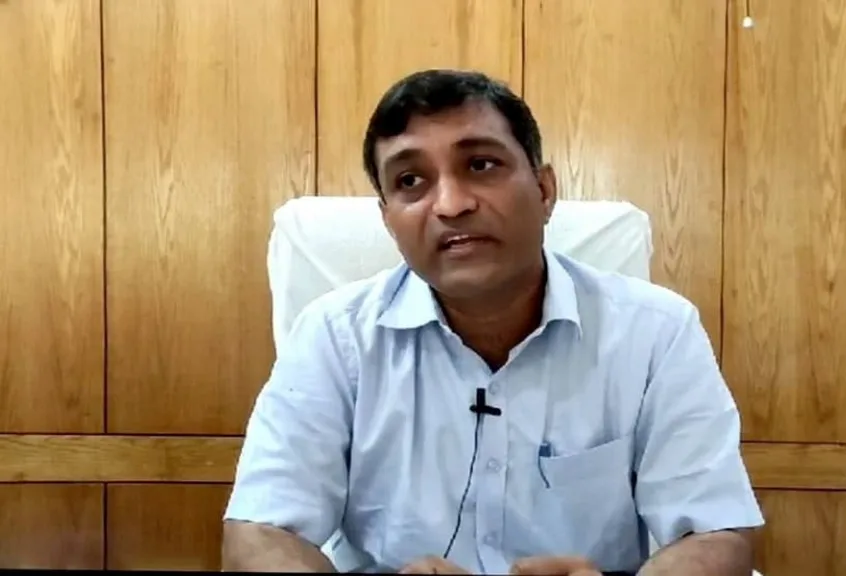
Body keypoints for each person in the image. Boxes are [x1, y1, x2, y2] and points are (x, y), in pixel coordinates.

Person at [222, 69, 764, 575]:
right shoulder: (333, 338)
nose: (451, 204)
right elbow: (260, 531)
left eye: (480, 165)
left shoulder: (657, 333)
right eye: (410, 180)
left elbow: (714, 532)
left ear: (545, 191)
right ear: (388, 220)